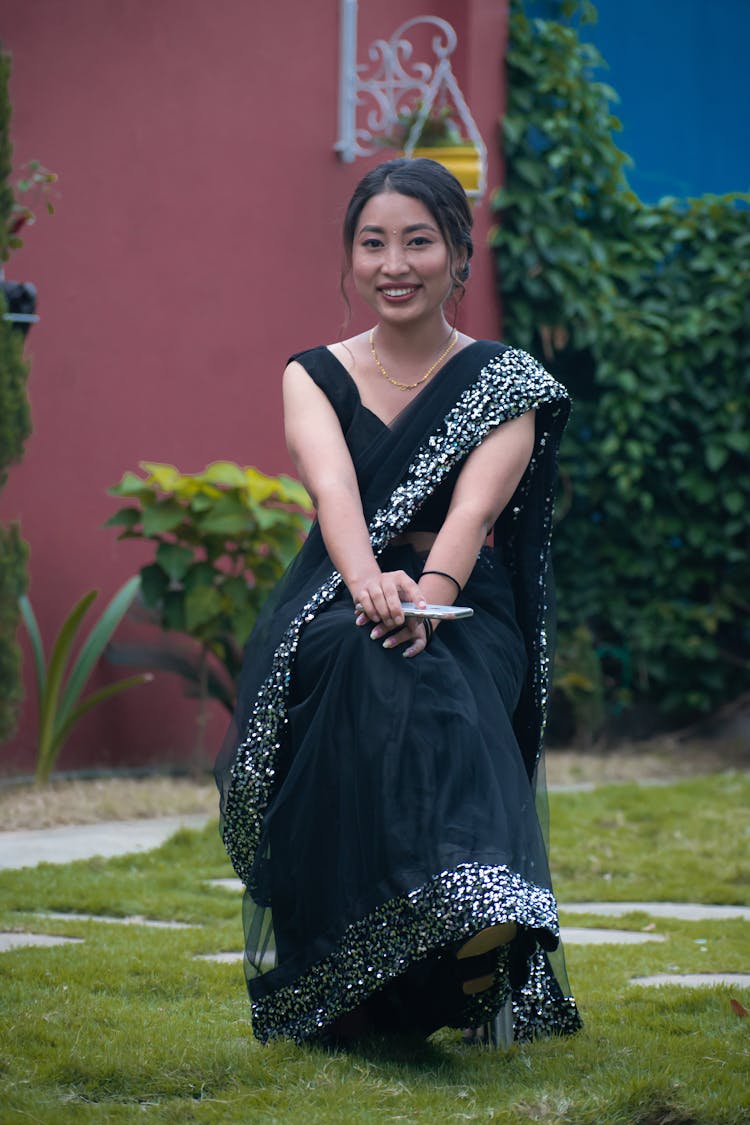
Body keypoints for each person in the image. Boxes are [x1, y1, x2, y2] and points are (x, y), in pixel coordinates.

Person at [215, 157, 581, 1048]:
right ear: (349, 260)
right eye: (372, 242)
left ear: (458, 254)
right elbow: (333, 491)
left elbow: (476, 509)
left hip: (464, 599)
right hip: (339, 591)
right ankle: (374, 949)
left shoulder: (504, 378)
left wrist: (430, 593)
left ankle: (469, 901)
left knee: (436, 658)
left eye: (418, 241)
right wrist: (374, 587)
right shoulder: (313, 373)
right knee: (355, 648)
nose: (394, 263)